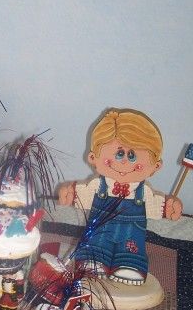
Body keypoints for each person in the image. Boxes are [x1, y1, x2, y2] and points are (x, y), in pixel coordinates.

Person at [58, 108, 182, 285]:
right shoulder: (97, 186)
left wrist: (168, 208)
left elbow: (156, 206)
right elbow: (82, 194)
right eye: (119, 153)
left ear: (156, 166)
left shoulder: (144, 193)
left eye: (132, 156)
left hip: (131, 235)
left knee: (131, 249)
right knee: (96, 243)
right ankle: (95, 259)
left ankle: (129, 264)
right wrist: (70, 194)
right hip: (100, 231)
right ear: (92, 158)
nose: (123, 161)